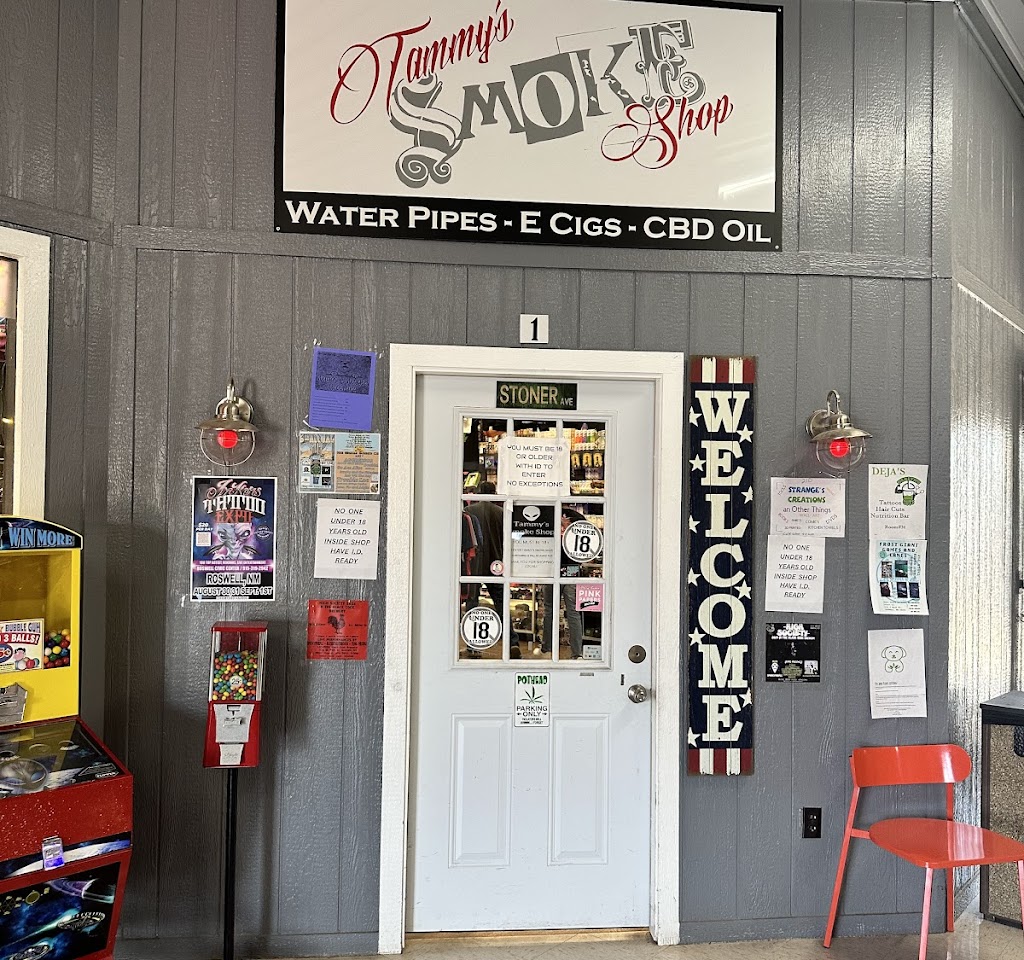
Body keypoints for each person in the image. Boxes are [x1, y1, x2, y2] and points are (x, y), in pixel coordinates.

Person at [541, 507, 587, 658]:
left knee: (551, 610)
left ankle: (547, 649)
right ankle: (576, 653)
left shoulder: (548, 515)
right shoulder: (576, 517)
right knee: (572, 612)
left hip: (553, 568)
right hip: (570, 568)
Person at [465, 481, 504, 621]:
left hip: (474, 561)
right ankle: (509, 633)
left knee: (472, 599)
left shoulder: (469, 511)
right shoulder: (501, 512)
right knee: (500, 600)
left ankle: (470, 630)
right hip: (496, 560)